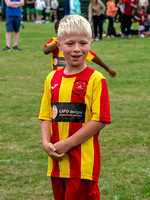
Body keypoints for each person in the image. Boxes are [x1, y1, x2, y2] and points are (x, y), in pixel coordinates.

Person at [39, 14, 111, 200]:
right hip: (56, 163)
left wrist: (68, 143)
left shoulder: (96, 79)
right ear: (59, 45)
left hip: (82, 166)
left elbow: (100, 119)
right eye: (70, 44)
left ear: (91, 44)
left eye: (83, 43)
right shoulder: (51, 79)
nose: (77, 49)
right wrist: (46, 143)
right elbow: (46, 115)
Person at [44, 20, 116, 78]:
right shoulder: (54, 42)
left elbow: (93, 57)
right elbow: (46, 50)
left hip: (75, 78)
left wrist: (108, 69)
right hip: (58, 77)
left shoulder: (77, 46)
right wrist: (60, 41)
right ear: (57, 32)